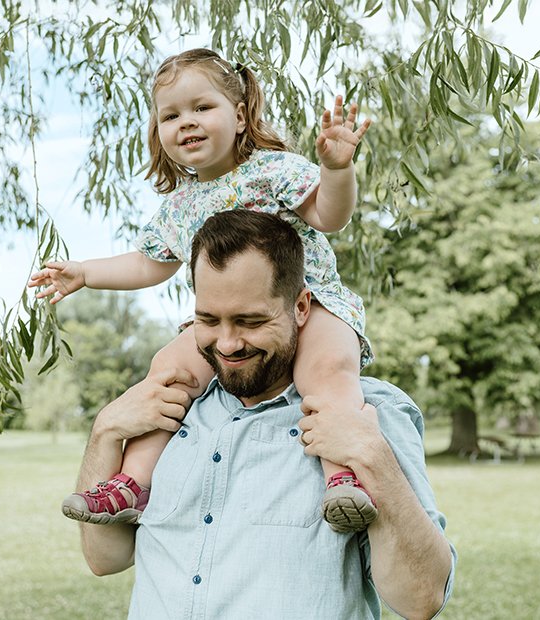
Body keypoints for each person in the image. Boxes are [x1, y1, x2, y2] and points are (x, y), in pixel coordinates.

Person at [28, 48, 377, 532]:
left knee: (327, 369)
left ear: (238, 116)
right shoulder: (180, 206)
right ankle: (132, 483)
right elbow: (149, 264)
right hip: (222, 320)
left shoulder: (273, 170)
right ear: (159, 132)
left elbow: (330, 217)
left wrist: (337, 170)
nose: (185, 122)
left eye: (201, 108)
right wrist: (86, 272)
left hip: (309, 301)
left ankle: (343, 478)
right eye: (170, 115)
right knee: (167, 371)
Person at [73, 209, 455, 619]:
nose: (228, 343)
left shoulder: (365, 413)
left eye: (250, 321)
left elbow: (421, 599)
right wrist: (106, 432)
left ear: (302, 307)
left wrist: (373, 458)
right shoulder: (164, 413)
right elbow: (104, 557)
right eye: (207, 319)